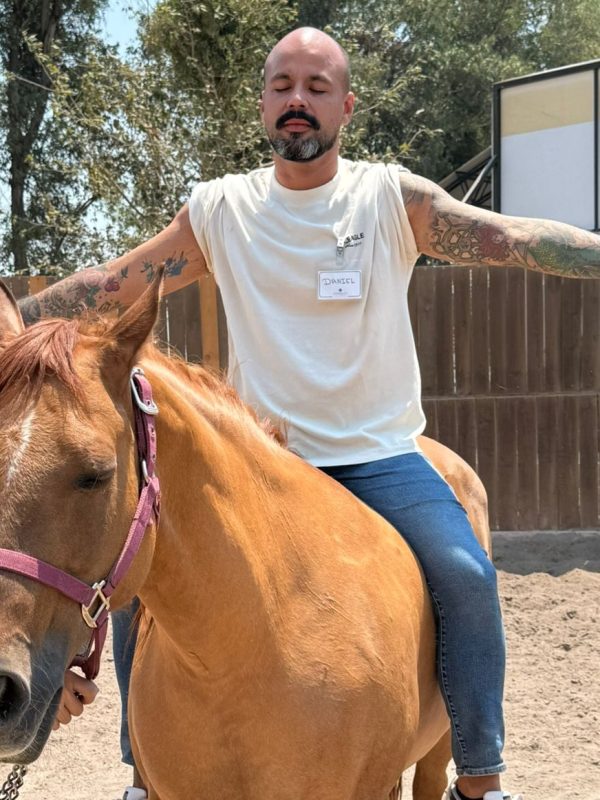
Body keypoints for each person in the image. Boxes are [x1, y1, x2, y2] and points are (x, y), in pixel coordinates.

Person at [22, 26, 600, 800]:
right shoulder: (220, 211)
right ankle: (141, 772)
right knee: (141, 583)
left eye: (317, 87)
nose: (299, 101)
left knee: (465, 575)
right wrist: (14, 312)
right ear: (263, 103)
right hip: (260, 459)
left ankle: (482, 778)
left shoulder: (390, 198)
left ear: (346, 106)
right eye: (284, 85)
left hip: (380, 451)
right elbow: (112, 284)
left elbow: (512, 237)